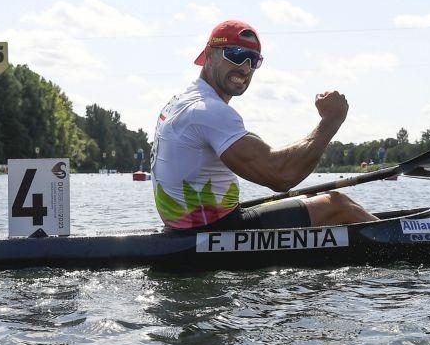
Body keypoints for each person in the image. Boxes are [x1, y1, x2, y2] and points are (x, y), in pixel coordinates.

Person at [152, 19, 377, 231]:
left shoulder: (180, 101)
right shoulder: (208, 110)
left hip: (191, 227)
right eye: (236, 55)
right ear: (210, 55)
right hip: (214, 229)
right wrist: (331, 121)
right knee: (337, 205)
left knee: (316, 198)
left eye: (254, 60)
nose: (245, 68)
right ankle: (406, 241)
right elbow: (281, 176)